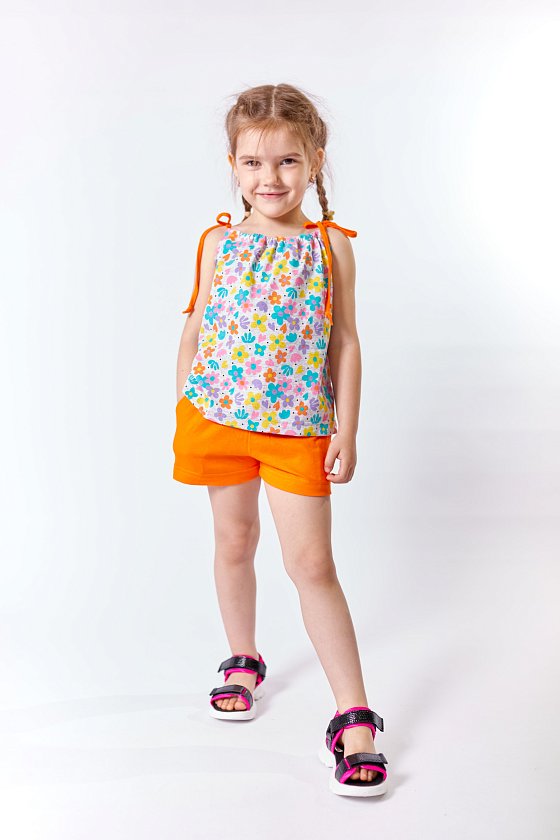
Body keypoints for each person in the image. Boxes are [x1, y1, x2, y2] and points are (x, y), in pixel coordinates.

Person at [172, 83, 388, 797]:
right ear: (233, 166)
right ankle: (242, 658)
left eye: (288, 161)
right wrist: (185, 401)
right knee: (234, 542)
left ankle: (353, 716)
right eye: (254, 163)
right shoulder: (217, 242)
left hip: (298, 427)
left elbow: (346, 342)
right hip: (217, 420)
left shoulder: (330, 247)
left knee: (312, 564)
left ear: (315, 161)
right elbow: (197, 325)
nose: (270, 178)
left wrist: (346, 427)